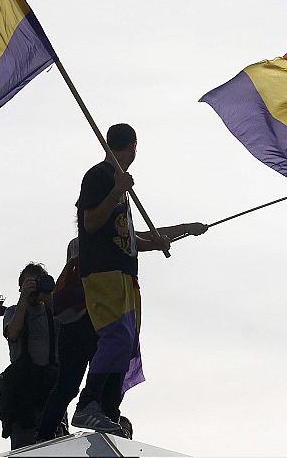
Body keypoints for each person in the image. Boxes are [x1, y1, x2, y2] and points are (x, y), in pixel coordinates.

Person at [70, 123, 208, 434]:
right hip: (103, 272)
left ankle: (108, 410)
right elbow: (90, 223)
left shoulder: (116, 182)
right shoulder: (99, 176)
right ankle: (87, 404)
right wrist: (117, 190)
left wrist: (180, 231)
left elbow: (128, 237)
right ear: (133, 146)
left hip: (123, 273)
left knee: (126, 343)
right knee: (116, 338)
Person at [0, 262, 59, 450]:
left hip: (49, 391)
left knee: (56, 446)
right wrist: (24, 298)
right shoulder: (13, 312)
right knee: (26, 448)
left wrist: (50, 297)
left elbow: (70, 331)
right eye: (30, 283)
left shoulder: (53, 312)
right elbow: (13, 333)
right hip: (23, 394)